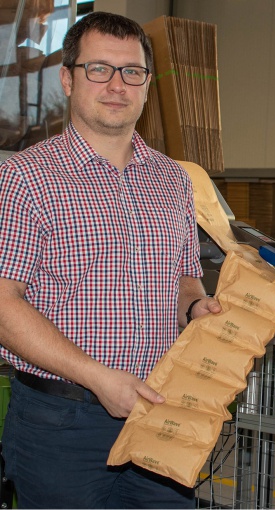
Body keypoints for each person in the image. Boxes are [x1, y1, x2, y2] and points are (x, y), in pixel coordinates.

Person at [0, 11, 221, 508]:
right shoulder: (25, 179)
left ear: (146, 83)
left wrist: (195, 307)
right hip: (62, 425)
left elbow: (185, 276)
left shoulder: (173, 180)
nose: (116, 85)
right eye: (98, 69)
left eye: (132, 72)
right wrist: (100, 379)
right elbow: (2, 304)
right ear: (67, 78)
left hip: (161, 415)